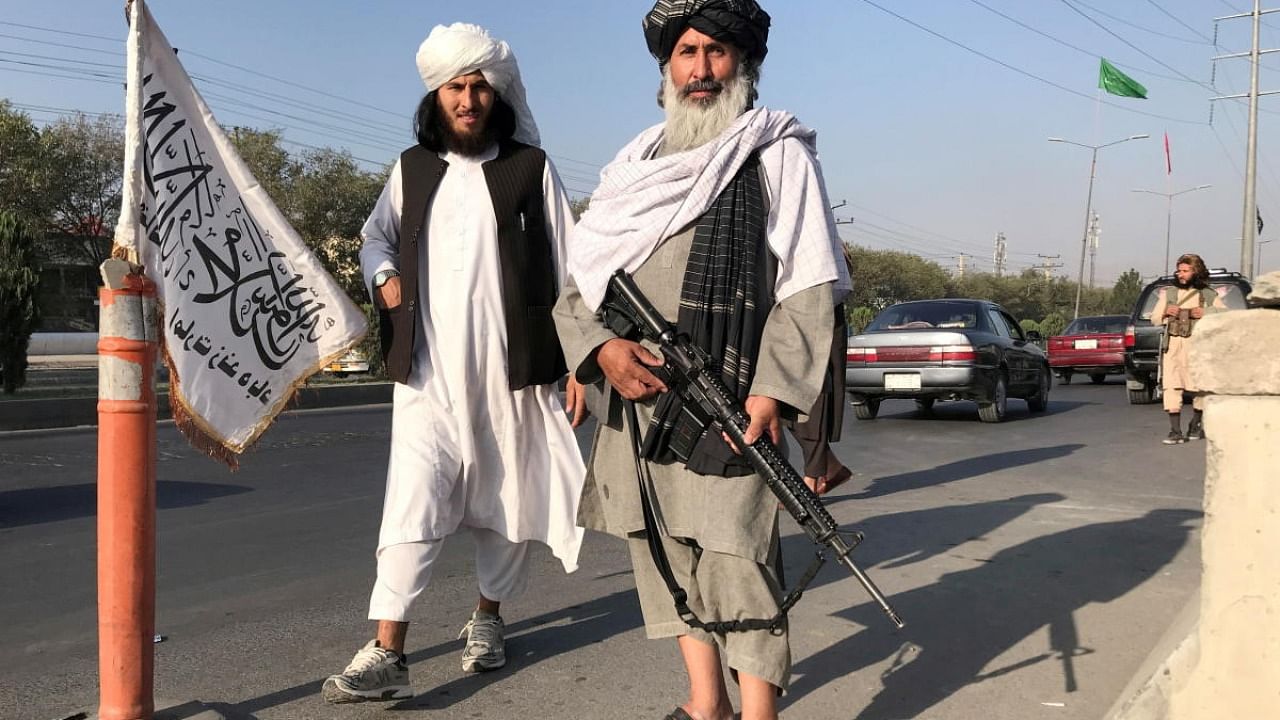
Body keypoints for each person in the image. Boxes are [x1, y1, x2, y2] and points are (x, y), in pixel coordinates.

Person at [553, 2, 850, 718]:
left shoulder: (775, 155)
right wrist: (599, 350)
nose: (701, 69)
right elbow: (578, 283)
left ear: (743, 64)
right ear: (666, 68)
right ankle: (703, 702)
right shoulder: (633, 168)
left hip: (730, 399)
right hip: (638, 398)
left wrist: (774, 392)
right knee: (662, 557)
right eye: (687, 52)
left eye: (717, 52)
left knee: (738, 562)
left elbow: (808, 287)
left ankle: (757, 714)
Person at [322, 23, 585, 703]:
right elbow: (375, 237)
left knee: (509, 501)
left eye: (478, 86)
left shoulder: (532, 168)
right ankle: (388, 651)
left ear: (495, 94)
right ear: (435, 97)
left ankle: (488, 619)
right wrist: (383, 277)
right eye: (454, 87)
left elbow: (573, 264)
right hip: (427, 377)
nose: (467, 99)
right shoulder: (412, 168)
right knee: (410, 506)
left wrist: (582, 362)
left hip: (515, 374)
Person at [1151, 253, 1225, 445]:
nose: (1180, 274)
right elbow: (1155, 318)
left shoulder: (1208, 294)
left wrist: (1205, 312)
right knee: (1171, 386)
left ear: (1196, 271)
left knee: (1199, 387)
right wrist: (1167, 311)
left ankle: (1195, 424)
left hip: (1198, 347)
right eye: (1179, 270)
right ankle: (1175, 431)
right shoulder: (1170, 293)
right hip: (1174, 347)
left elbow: (1226, 314)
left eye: (1185, 271)